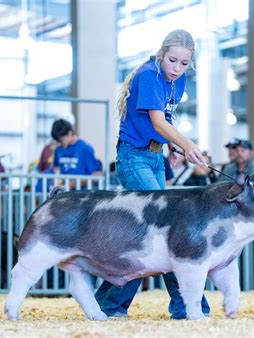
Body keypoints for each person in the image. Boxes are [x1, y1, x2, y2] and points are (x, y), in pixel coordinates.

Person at [95, 29, 210, 320]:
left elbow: (165, 118)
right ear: (161, 55)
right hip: (134, 158)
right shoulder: (148, 74)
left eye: (184, 64)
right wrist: (187, 144)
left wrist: (173, 144)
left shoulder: (177, 80)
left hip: (155, 157)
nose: (177, 68)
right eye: (172, 61)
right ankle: (188, 305)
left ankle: (107, 303)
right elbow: (157, 120)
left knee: (151, 234)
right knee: (165, 229)